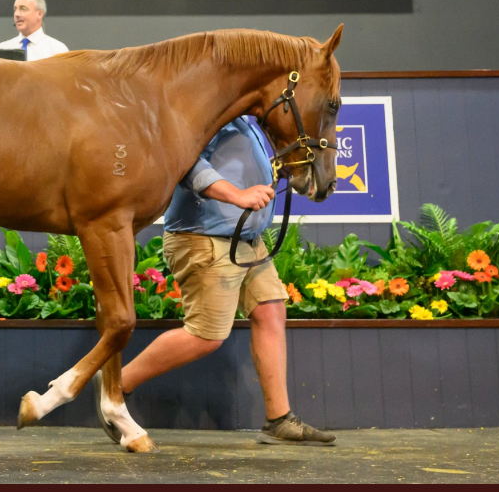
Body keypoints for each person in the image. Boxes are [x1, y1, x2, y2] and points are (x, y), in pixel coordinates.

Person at [95, 116, 336, 447]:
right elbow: (187, 164)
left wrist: (281, 172)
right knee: (205, 336)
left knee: (270, 310)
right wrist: (237, 195)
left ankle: (279, 420)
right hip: (204, 238)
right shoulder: (205, 111)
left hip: (246, 239)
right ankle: (115, 384)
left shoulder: (242, 117)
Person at [0, 0, 68, 61]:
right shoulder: (2, 49)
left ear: (39, 14)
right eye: (15, 9)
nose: (17, 14)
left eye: (23, 8)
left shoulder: (57, 50)